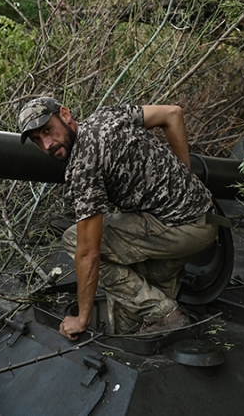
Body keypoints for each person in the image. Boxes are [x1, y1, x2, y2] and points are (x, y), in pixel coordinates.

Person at [17, 97, 218, 340]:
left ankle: (165, 313)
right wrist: (183, 175)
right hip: (205, 217)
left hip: (180, 230)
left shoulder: (84, 165)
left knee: (74, 240)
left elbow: (88, 252)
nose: (47, 144)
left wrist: (82, 318)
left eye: (48, 130)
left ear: (65, 115)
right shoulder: (108, 116)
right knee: (128, 312)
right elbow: (172, 113)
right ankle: (150, 323)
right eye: (37, 140)